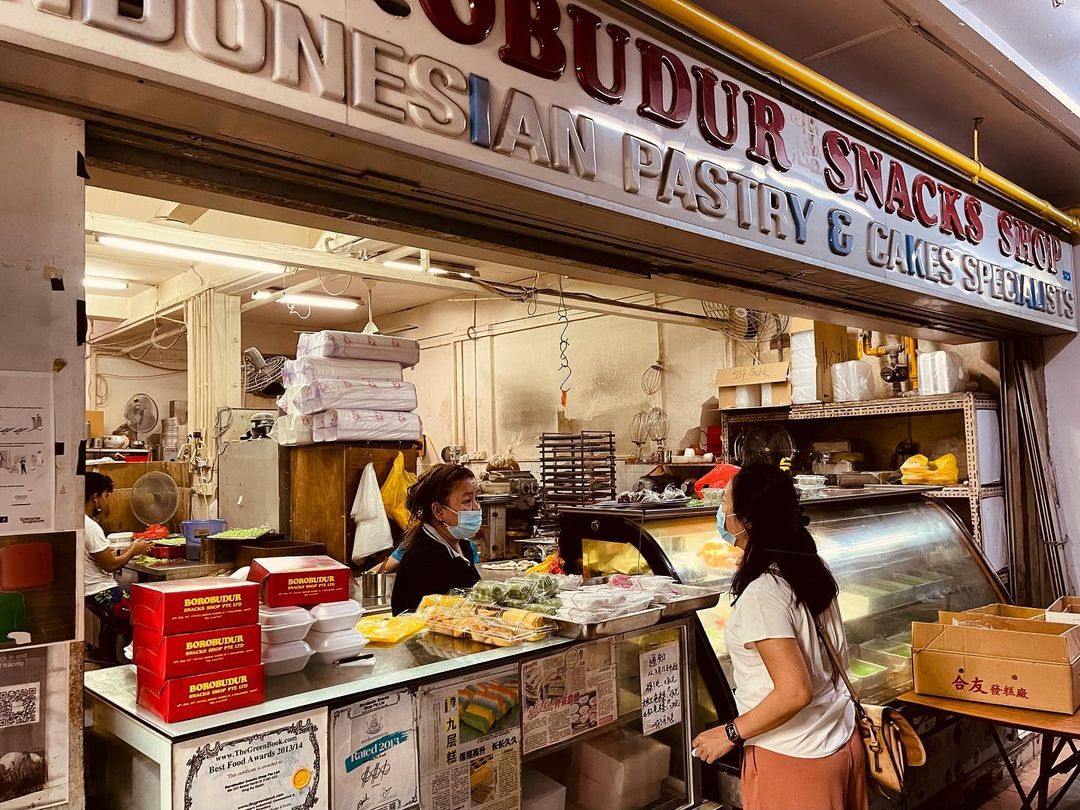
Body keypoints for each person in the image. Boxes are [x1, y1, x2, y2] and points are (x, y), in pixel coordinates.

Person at [692, 462, 865, 810]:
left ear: (747, 522)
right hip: (841, 741)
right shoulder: (806, 564)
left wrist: (729, 733)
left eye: (726, 505)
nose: (722, 513)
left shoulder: (764, 592)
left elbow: (794, 691)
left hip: (795, 760)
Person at [390, 464, 482, 614]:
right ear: (439, 511)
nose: (477, 507)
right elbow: (432, 618)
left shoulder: (463, 546)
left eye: (475, 499)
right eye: (467, 501)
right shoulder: (423, 558)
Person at [84, 472, 152, 663]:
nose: (107, 502)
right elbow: (110, 565)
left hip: (89, 590)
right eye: (106, 496)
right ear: (95, 497)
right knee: (141, 618)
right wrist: (133, 549)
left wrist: (122, 551)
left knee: (112, 623)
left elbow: (99, 557)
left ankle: (106, 659)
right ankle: (139, 663)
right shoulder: (90, 527)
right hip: (99, 590)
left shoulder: (80, 521)